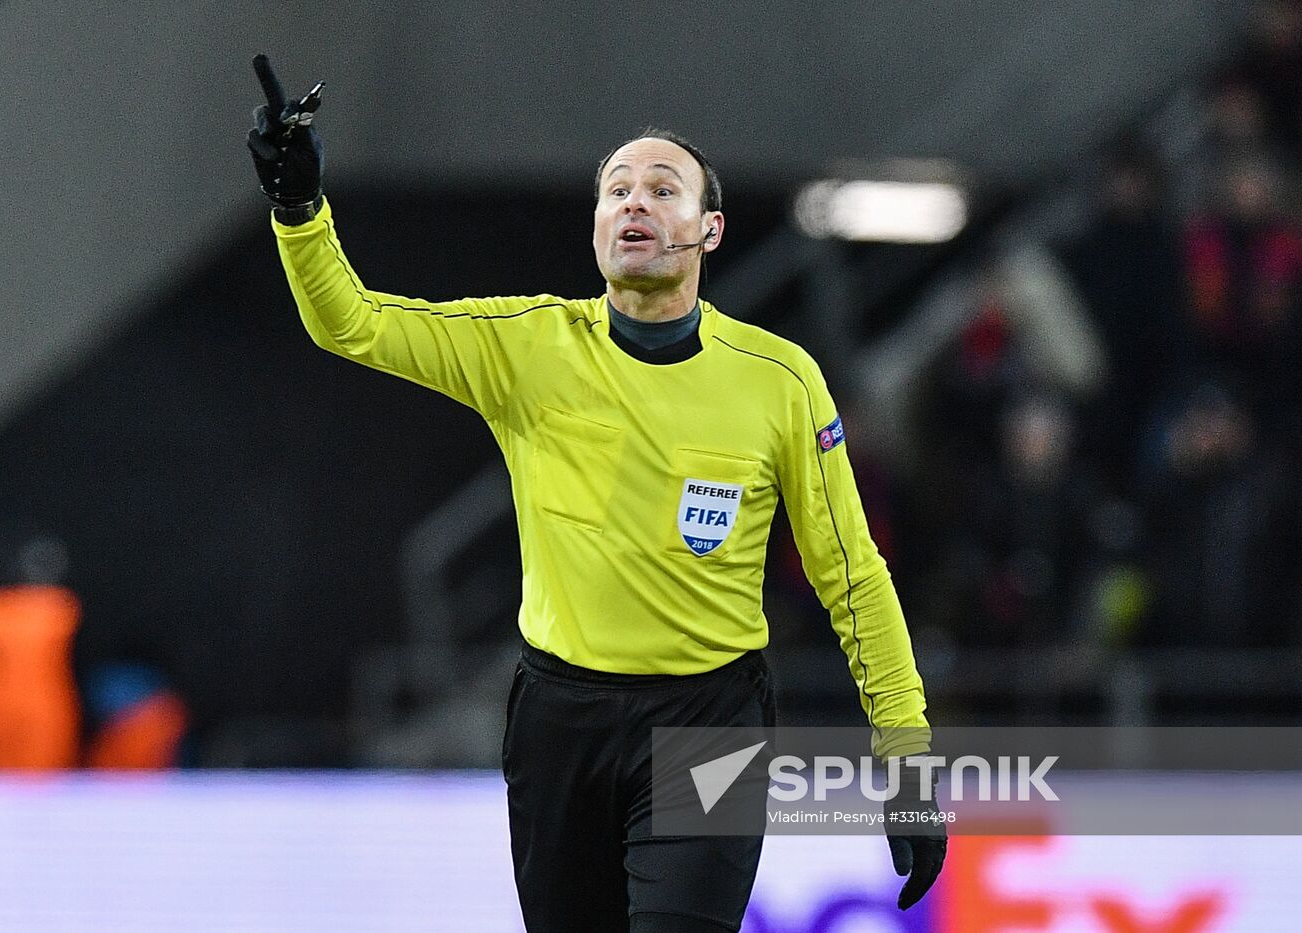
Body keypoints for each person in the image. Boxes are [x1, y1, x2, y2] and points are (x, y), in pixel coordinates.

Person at [246, 55, 945, 932]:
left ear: (711, 229)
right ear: (596, 227)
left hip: (710, 726)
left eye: (663, 188)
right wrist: (299, 209)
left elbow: (854, 576)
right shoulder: (530, 347)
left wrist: (907, 755)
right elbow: (350, 322)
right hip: (559, 723)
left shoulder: (780, 381)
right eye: (616, 190)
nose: (635, 202)